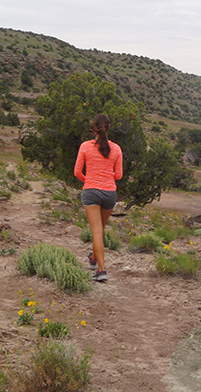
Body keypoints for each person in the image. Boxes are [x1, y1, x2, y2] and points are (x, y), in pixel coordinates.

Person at [74, 114, 122, 282]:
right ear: (108, 128)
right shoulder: (116, 148)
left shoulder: (85, 147)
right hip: (110, 193)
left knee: (96, 231)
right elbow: (119, 175)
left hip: (91, 191)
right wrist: (106, 176)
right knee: (100, 229)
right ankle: (93, 259)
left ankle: (101, 270)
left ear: (93, 128)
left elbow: (77, 172)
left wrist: (90, 180)